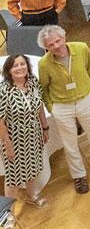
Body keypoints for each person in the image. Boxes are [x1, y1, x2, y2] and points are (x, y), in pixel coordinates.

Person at [37, 25, 90, 193]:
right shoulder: (44, 64)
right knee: (70, 144)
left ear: (64, 37)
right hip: (62, 107)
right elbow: (43, 89)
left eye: (58, 40)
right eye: (50, 45)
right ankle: (79, 177)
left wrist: (89, 92)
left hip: (85, 100)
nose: (56, 46)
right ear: (46, 48)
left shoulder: (81, 48)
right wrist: (52, 107)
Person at [0, 55, 49, 213]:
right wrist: (7, 145)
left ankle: (32, 194)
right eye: (15, 66)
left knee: (32, 167)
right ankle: (9, 214)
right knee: (13, 177)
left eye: (22, 64)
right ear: (8, 70)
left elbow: (40, 105)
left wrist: (45, 128)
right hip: (13, 138)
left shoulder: (33, 82)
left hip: (33, 134)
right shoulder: (4, 90)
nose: (20, 68)